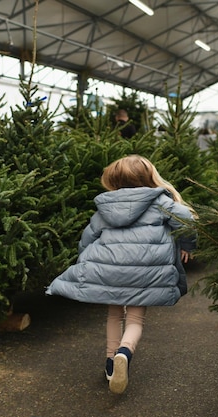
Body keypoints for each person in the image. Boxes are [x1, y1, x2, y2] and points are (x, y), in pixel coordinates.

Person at [45, 155, 196, 394]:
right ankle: (124, 353)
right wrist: (188, 246)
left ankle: (109, 363)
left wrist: (87, 262)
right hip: (146, 274)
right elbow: (186, 220)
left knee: (114, 315)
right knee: (135, 320)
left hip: (109, 272)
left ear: (114, 180)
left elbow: (87, 238)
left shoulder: (106, 206)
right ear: (149, 177)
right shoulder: (160, 202)